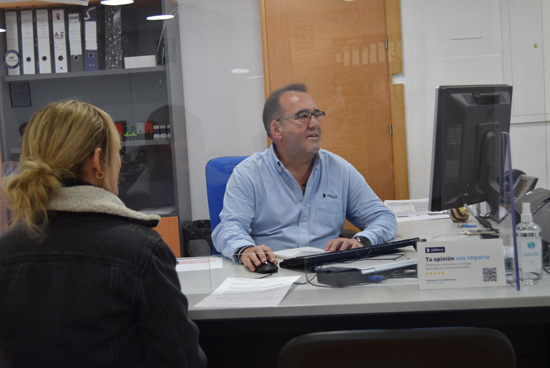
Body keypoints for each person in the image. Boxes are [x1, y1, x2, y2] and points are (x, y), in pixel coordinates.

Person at [0, 100, 206, 368]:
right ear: (98, 161)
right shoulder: (141, 250)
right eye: (118, 152)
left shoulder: (5, 252)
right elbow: (182, 361)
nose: (119, 162)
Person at [212, 83, 398, 272]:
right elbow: (229, 227)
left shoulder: (339, 169)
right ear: (276, 129)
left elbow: (383, 218)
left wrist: (361, 240)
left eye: (316, 115)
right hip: (271, 274)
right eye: (303, 116)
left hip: (328, 273)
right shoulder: (248, 173)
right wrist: (246, 249)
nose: (315, 124)